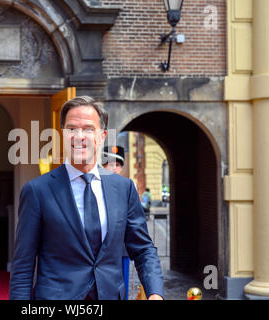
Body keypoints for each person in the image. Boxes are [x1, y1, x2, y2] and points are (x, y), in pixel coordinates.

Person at [9, 96, 164, 300]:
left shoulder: (124, 188)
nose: (79, 136)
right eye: (71, 129)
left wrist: (155, 293)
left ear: (102, 136)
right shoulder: (37, 191)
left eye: (88, 129)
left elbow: (143, 249)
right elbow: (23, 264)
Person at [102, 145, 131, 300]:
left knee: (122, 292)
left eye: (117, 165)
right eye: (109, 164)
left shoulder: (127, 189)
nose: (113, 168)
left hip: (121, 251)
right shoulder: (94, 188)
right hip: (100, 254)